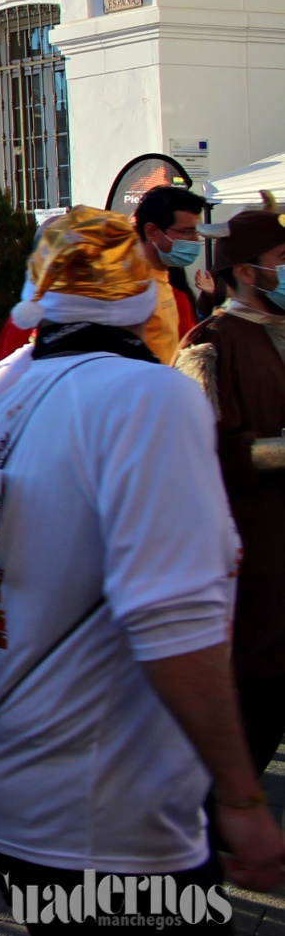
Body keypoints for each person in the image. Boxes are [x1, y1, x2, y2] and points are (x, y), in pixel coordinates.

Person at [0, 207, 281, 936]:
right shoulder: (150, 398)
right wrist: (243, 799)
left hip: (11, 787)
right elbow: (170, 619)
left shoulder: (7, 392)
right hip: (117, 808)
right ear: (140, 294)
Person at [175, 198, 285, 782]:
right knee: (257, 702)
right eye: (282, 258)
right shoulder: (209, 343)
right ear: (246, 269)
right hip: (259, 560)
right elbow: (205, 455)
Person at [134, 184, 207, 365]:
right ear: (152, 231)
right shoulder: (131, 292)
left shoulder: (176, 291)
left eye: (196, 232)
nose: (195, 241)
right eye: (186, 231)